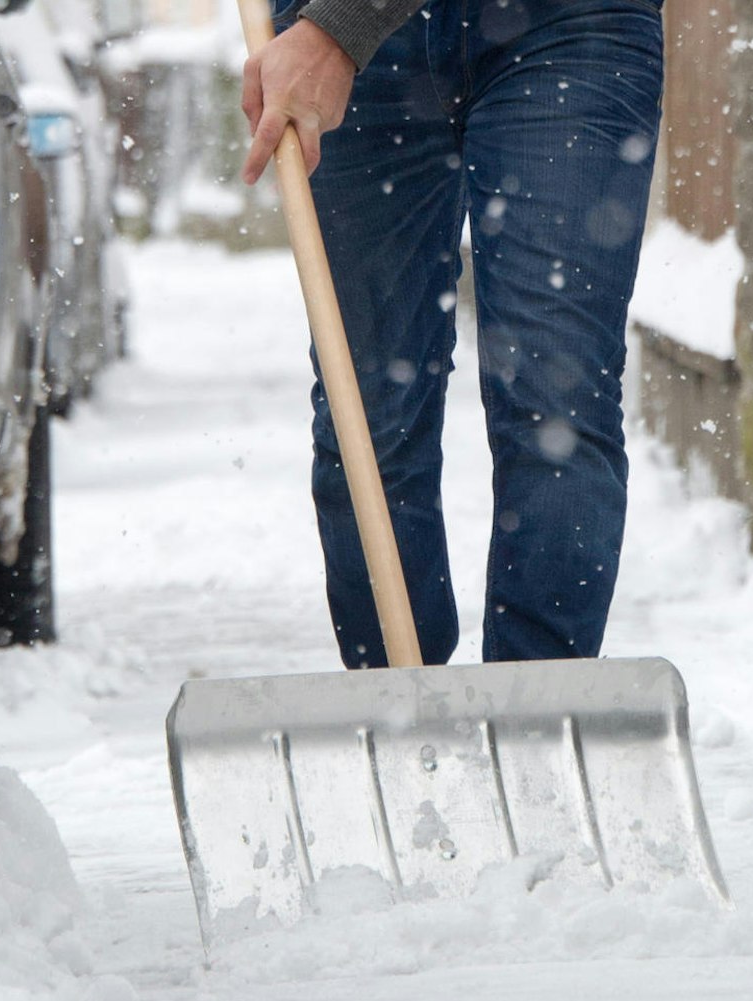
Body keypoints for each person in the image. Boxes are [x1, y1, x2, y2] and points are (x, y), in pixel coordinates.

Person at [241, 0, 664, 669]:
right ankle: (402, 717)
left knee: (558, 399)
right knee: (367, 412)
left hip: (568, 27)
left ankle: (536, 723)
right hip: (339, 39)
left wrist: (342, 26)